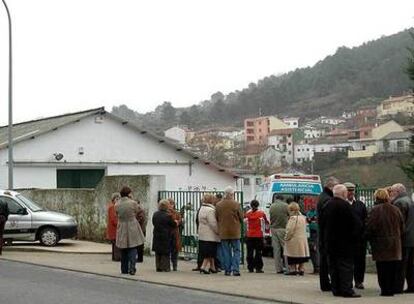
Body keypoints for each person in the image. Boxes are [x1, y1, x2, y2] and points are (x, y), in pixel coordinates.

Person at [323, 184, 360, 298]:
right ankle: (346, 290)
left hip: (330, 242)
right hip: (345, 243)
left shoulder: (327, 205)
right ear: (344, 194)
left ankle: (336, 289)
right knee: (346, 267)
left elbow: (322, 224)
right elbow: (356, 224)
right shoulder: (346, 206)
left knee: (333, 267)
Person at [366, 188, 404, 296]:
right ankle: (391, 289)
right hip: (395, 244)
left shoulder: (375, 210)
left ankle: (385, 289)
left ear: (376, 197)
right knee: (392, 268)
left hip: (380, 244)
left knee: (382, 268)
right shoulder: (396, 209)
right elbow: (402, 226)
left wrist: (368, 237)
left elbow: (371, 227)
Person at [390, 183, 414, 293]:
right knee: (410, 265)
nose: (391, 193)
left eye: (392, 191)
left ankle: (397, 287)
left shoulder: (399, 203)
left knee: (401, 265)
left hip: (403, 238)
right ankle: (412, 286)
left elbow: (398, 222)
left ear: (398, 191)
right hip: (411, 238)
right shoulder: (410, 201)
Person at [115, 186, 145, 275]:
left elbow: (116, 214)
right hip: (132, 225)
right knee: (132, 247)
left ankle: (124, 269)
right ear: (128, 194)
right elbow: (137, 210)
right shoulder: (133, 203)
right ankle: (132, 268)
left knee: (123, 248)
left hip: (122, 225)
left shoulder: (117, 204)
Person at [317, 176, 339, 291]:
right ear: (331, 187)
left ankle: (325, 283)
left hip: (323, 234)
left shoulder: (323, 197)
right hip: (326, 235)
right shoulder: (327, 199)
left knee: (324, 261)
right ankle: (326, 284)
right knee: (326, 261)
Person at [344, 182, 368, 290]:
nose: (351, 193)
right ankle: (347, 281)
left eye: (352, 190)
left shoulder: (360, 205)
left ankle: (359, 281)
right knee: (347, 262)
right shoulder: (342, 204)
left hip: (359, 239)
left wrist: (364, 235)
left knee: (359, 261)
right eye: (349, 191)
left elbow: (365, 220)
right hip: (346, 239)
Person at [216, 186, 243, 276]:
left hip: (223, 231)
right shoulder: (236, 204)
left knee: (226, 251)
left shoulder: (219, 205)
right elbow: (241, 217)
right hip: (235, 231)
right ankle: (235, 269)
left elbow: (216, 217)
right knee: (236, 250)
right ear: (232, 194)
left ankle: (227, 270)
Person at [284, 202, 310, 276]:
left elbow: (289, 230)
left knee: (292, 255)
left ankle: (292, 269)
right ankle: (301, 269)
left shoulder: (293, 218)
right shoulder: (303, 218)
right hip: (302, 239)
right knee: (302, 255)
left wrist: (286, 238)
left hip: (294, 240)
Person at [152, 199, 178, 272]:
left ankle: (158, 266)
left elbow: (153, 222)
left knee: (158, 252)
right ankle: (165, 267)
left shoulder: (155, 214)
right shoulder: (168, 216)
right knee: (165, 252)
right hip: (165, 235)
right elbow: (173, 224)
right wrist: (176, 222)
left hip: (157, 233)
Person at [244, 200, 269, 273]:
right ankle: (258, 268)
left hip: (250, 235)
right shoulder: (261, 214)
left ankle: (250, 267)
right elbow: (266, 223)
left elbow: (245, 223)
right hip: (259, 235)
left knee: (249, 252)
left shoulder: (247, 214)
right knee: (258, 252)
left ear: (251, 205)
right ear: (258, 205)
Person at [197, 194, 220, 274]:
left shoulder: (202, 208)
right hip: (210, 235)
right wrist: (218, 231)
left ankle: (212, 267)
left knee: (208, 251)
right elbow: (213, 223)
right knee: (210, 252)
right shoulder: (211, 210)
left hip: (202, 233)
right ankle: (203, 267)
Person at [269, 194, 289, 274]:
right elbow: (290, 215)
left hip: (274, 229)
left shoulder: (272, 206)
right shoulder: (286, 206)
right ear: (282, 199)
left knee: (276, 250)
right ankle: (288, 267)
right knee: (285, 249)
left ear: (276, 198)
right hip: (283, 228)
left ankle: (278, 268)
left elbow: (271, 217)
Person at [167, 198, 182, 271]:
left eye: (172, 204)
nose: (171, 206)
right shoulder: (166, 213)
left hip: (175, 233)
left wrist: (177, 222)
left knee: (175, 250)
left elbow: (180, 220)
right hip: (168, 232)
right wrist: (174, 221)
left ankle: (175, 265)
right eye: (169, 204)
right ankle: (167, 265)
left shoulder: (176, 213)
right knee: (168, 249)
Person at [305, 200, 319, 274]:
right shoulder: (309, 212)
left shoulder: (318, 212)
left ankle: (317, 267)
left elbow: (312, 220)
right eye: (311, 204)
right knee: (312, 250)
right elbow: (308, 220)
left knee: (315, 249)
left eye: (313, 204)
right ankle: (315, 267)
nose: (312, 205)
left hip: (316, 233)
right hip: (310, 232)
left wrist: (311, 219)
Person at [106, 192, 121, 261]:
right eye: (116, 199)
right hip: (114, 228)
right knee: (116, 243)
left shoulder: (112, 206)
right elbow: (114, 219)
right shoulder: (112, 207)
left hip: (113, 228)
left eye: (119, 199)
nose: (118, 200)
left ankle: (115, 257)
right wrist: (119, 224)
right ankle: (117, 257)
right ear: (113, 199)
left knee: (115, 243)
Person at [135, 199, 147, 263]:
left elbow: (141, 219)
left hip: (140, 229)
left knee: (140, 245)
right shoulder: (138, 210)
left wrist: (135, 222)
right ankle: (139, 257)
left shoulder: (140, 211)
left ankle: (140, 258)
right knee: (138, 244)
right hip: (140, 229)